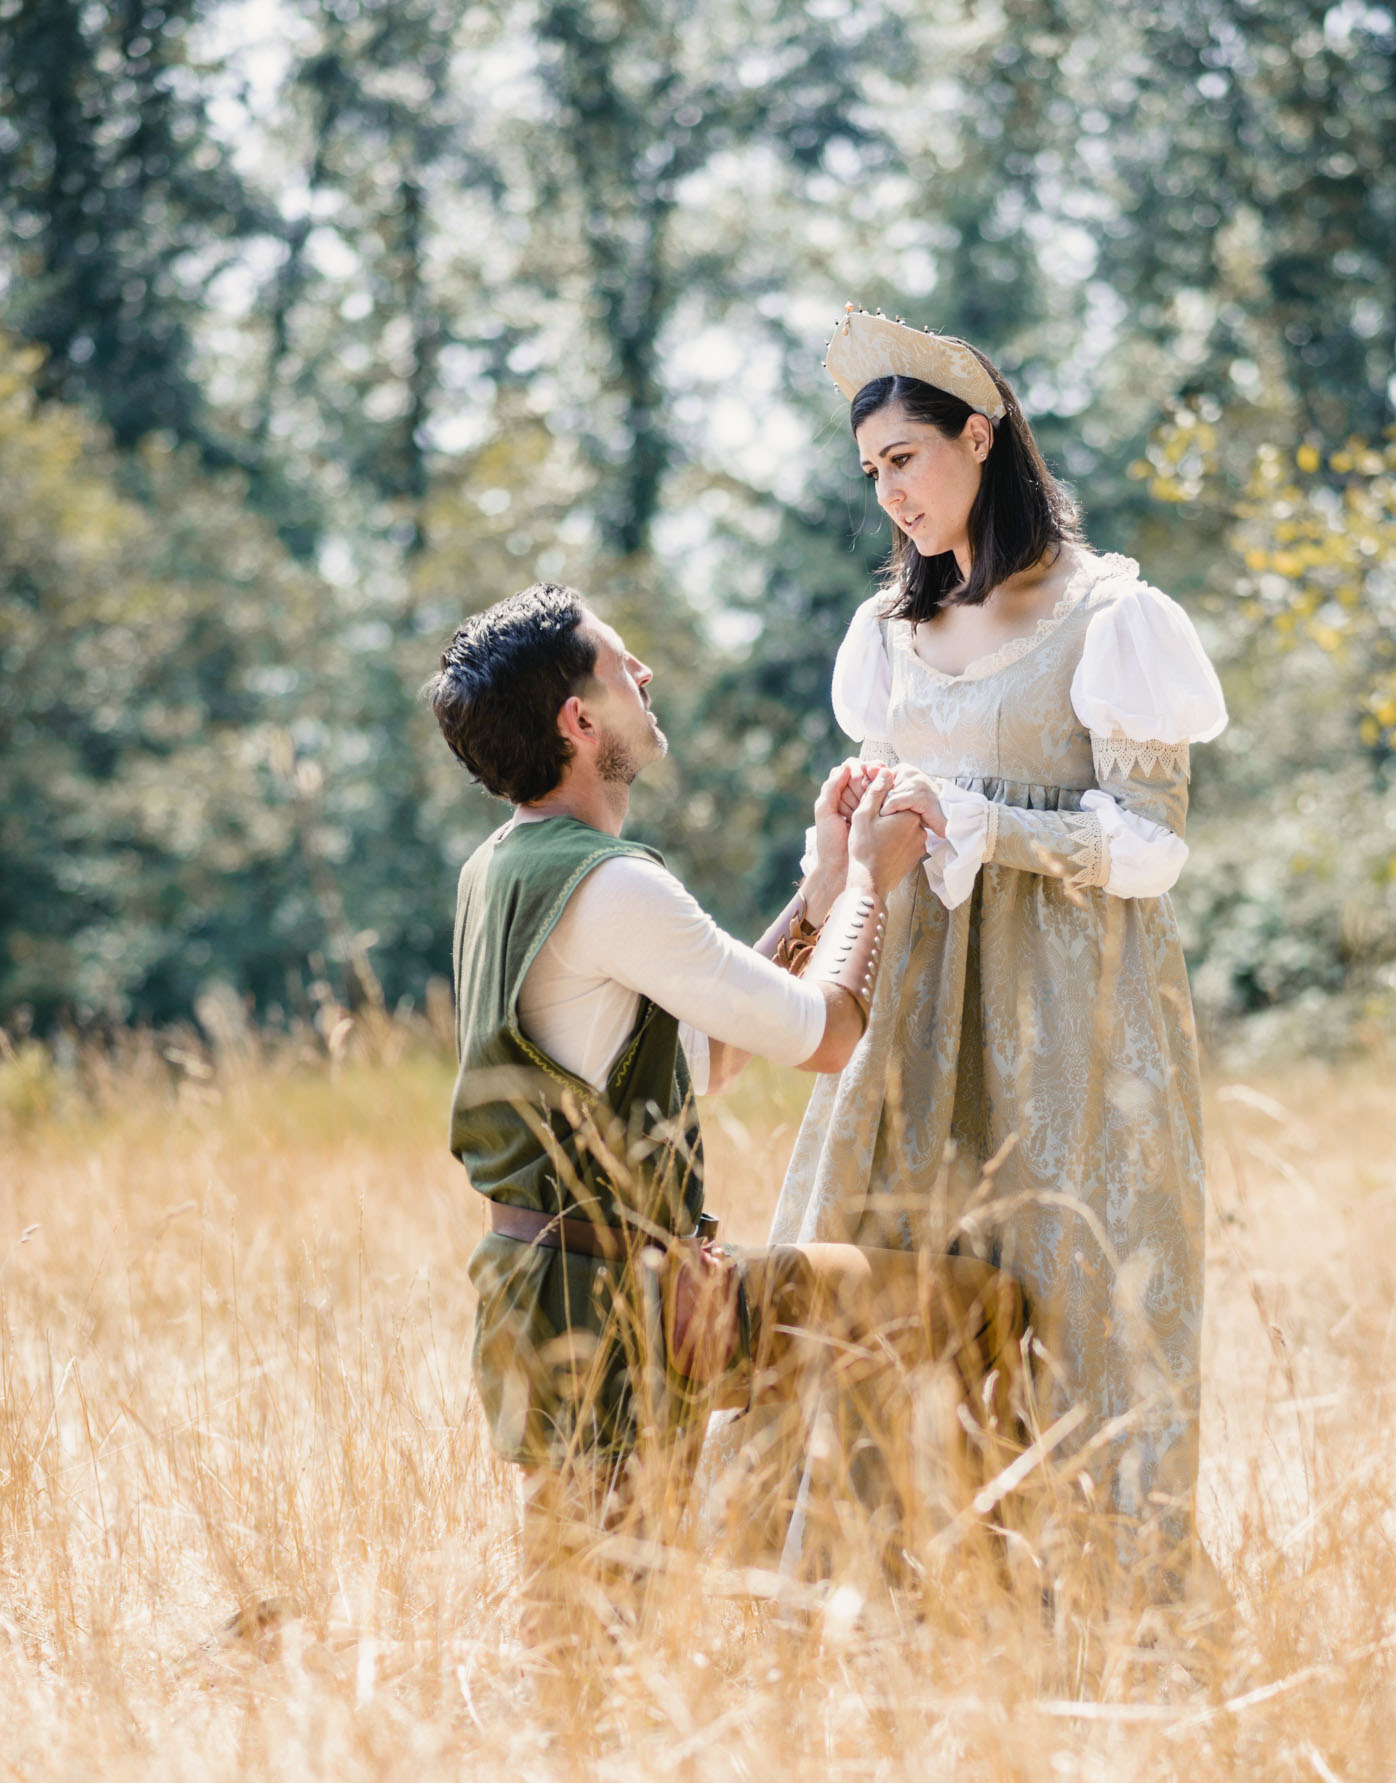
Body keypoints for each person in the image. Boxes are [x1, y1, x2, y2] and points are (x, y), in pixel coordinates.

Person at [771, 308, 1227, 1594]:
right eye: (872, 473)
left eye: (906, 457)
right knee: (887, 1277)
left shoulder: (1111, 617)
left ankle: (1100, 1610)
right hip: (917, 1008)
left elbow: (1152, 848)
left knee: (1083, 1293)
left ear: (982, 437)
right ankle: (883, 1597)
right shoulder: (886, 636)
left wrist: (986, 825)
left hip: (1076, 1010)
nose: (891, 493)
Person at [428, 581, 1022, 1541]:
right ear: (580, 719)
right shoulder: (612, 883)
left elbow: (705, 1055)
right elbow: (823, 1034)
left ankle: (876, 1584)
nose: (645, 672)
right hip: (603, 1311)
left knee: (960, 1305)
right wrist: (873, 878)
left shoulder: (503, 864)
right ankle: (857, 1586)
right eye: (624, 665)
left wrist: (823, 887)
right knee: (594, 1635)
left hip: (615, 1292)